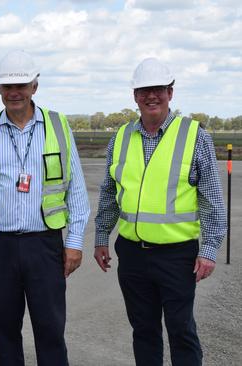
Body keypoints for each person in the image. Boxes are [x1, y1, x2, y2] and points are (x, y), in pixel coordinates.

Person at [0, 50, 90, 366]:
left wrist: (73, 244)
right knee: (4, 331)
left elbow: (77, 191)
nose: (14, 92)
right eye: (7, 86)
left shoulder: (57, 126)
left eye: (21, 84)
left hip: (43, 245)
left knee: (51, 331)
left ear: (35, 85)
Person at [93, 57, 226, 366]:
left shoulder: (195, 137)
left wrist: (208, 250)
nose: (151, 96)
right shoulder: (121, 138)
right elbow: (109, 193)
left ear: (170, 93)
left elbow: (213, 202)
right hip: (132, 254)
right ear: (135, 96)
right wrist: (101, 236)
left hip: (177, 256)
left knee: (181, 330)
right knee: (144, 330)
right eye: (144, 91)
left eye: (158, 90)